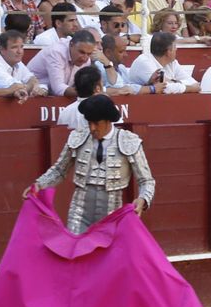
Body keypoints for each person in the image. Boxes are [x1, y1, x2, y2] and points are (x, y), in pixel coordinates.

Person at [32, 93, 156, 234]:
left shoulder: (128, 141)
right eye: (89, 122)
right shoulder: (78, 137)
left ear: (108, 121)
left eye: (96, 123)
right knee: (75, 252)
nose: (91, 128)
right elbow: (59, 170)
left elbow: (146, 181)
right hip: (79, 214)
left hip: (112, 214)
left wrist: (143, 199)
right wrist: (38, 184)